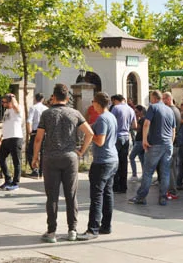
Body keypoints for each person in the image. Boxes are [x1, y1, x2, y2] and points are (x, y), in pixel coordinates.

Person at [31, 83, 94, 244]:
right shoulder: (75, 113)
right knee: (71, 195)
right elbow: (90, 133)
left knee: (52, 196)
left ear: (54, 96)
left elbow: (38, 138)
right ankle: (72, 230)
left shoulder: (47, 114)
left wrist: (35, 157)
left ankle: (51, 232)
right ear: (67, 97)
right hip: (70, 157)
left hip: (50, 158)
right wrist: (81, 151)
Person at [78, 92, 118, 240]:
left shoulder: (102, 119)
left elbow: (100, 141)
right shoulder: (111, 116)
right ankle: (106, 226)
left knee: (96, 196)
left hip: (102, 161)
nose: (92, 104)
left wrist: (90, 136)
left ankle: (92, 229)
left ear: (97, 103)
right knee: (107, 193)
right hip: (112, 159)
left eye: (93, 101)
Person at [129, 90, 176, 206]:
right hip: (168, 144)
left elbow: (146, 124)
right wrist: (170, 142)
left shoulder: (153, 107)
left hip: (155, 144)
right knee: (165, 172)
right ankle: (163, 197)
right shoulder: (170, 110)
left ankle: (141, 197)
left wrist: (144, 140)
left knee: (148, 172)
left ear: (154, 98)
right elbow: (173, 129)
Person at [110, 94, 136, 194]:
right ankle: (123, 186)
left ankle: (116, 186)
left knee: (115, 161)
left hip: (116, 137)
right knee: (124, 162)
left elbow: (111, 122)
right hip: (126, 137)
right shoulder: (131, 109)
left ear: (115, 100)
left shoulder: (115, 108)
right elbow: (134, 125)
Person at [0, 93, 23, 191]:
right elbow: (6, 123)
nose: (2, 103)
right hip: (6, 138)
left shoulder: (17, 109)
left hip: (15, 138)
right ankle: (8, 179)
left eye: (4, 101)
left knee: (16, 161)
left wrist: (12, 97)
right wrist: (2, 135)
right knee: (1, 159)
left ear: (10, 102)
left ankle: (15, 183)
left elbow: (16, 106)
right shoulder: (7, 111)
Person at [162, 92, 182, 200]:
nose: (162, 102)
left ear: (168, 99)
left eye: (164, 99)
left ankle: (172, 191)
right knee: (172, 168)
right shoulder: (176, 110)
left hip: (171, 143)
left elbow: (171, 129)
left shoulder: (170, 111)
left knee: (169, 168)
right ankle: (172, 190)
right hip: (175, 142)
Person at [26, 93, 48, 177]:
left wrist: (29, 132)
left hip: (35, 132)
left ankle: (35, 170)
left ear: (35, 98)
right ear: (43, 99)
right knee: (43, 152)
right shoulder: (46, 109)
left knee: (30, 151)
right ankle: (42, 171)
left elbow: (29, 121)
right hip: (44, 132)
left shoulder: (33, 107)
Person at [128, 105, 146, 181]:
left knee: (131, 156)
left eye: (136, 112)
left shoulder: (142, 120)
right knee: (142, 158)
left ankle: (134, 174)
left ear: (141, 111)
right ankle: (144, 175)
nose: (135, 114)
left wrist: (133, 122)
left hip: (139, 141)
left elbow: (136, 128)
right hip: (142, 141)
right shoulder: (145, 119)